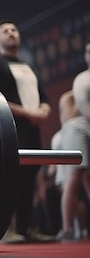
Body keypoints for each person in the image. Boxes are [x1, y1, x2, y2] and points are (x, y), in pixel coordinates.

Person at [0, 19, 55, 243]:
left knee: (29, 180)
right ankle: (5, 230)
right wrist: (28, 113)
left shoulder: (29, 67)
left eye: (14, 30)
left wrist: (43, 109)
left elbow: (44, 97)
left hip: (32, 130)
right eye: (6, 31)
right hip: (8, 130)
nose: (12, 33)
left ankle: (26, 227)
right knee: (9, 180)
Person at [55, 39, 90, 241]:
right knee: (75, 175)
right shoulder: (82, 80)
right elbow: (85, 109)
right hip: (77, 127)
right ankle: (68, 228)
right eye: (87, 51)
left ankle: (81, 229)